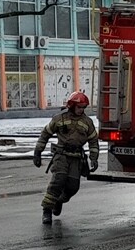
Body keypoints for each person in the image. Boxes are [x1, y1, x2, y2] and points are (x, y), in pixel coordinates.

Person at [33, 91, 99, 224]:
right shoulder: (60, 119)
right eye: (79, 107)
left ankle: (58, 201)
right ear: (72, 105)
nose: (81, 110)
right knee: (58, 181)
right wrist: (37, 152)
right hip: (61, 156)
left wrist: (94, 158)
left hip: (76, 159)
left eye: (83, 108)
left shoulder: (87, 122)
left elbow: (93, 141)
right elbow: (45, 134)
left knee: (73, 187)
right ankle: (47, 211)